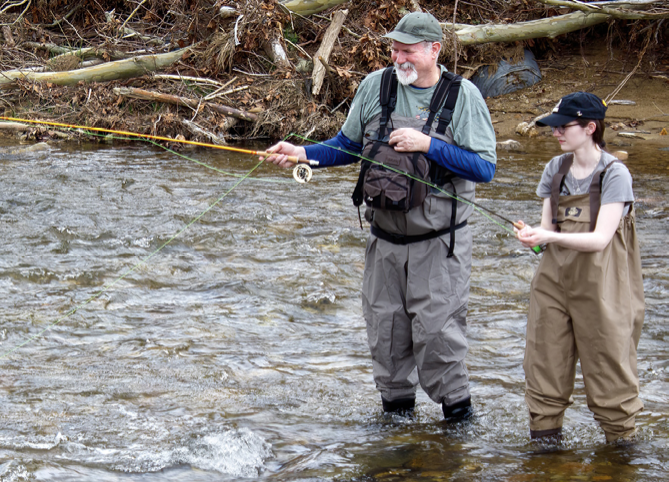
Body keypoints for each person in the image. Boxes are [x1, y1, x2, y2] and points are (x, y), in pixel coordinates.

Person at [263, 12, 497, 419]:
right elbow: (346, 146)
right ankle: (395, 446)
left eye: (407, 50)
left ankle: (457, 445)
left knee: (439, 342)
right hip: (384, 244)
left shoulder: (464, 97)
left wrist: (428, 145)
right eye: (394, 49)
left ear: (434, 50)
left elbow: (485, 168)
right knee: (387, 342)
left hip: (439, 247)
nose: (398, 57)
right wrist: (302, 153)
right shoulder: (376, 87)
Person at [515, 92, 645, 443]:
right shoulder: (554, 169)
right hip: (552, 283)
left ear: (590, 128)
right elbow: (548, 235)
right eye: (553, 126)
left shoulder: (615, 174)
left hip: (604, 286)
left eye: (563, 126)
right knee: (544, 369)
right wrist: (534, 238)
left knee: (610, 375)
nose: (555, 133)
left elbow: (601, 239)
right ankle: (545, 455)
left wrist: (548, 238)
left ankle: (621, 456)